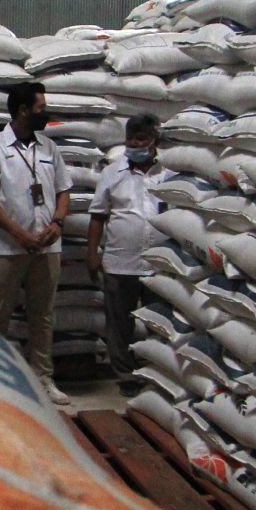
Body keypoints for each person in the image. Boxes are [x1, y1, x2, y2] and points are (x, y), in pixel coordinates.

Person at [0, 81, 73, 404]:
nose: (46, 113)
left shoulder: (49, 148)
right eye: (41, 108)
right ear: (23, 110)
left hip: (47, 247)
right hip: (7, 248)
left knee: (42, 316)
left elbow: (63, 191)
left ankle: (43, 379)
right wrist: (19, 233)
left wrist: (57, 222)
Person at [87, 114, 169, 393]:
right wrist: (92, 253)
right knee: (119, 323)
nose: (134, 144)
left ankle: (158, 372)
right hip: (120, 261)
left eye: (141, 139)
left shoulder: (170, 173)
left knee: (160, 321)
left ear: (155, 140)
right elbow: (98, 216)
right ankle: (126, 375)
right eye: (130, 139)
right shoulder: (113, 172)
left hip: (160, 263)